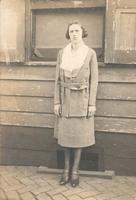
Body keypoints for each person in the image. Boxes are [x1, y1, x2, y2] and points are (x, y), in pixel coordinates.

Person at [54, 21, 98, 187]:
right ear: (68, 34)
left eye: (77, 31)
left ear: (82, 33)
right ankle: (65, 170)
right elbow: (57, 81)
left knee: (78, 138)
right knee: (66, 137)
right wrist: (57, 102)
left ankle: (75, 171)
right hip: (65, 101)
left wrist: (91, 104)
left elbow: (94, 81)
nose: (74, 34)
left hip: (83, 101)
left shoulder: (90, 53)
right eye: (71, 31)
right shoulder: (62, 53)